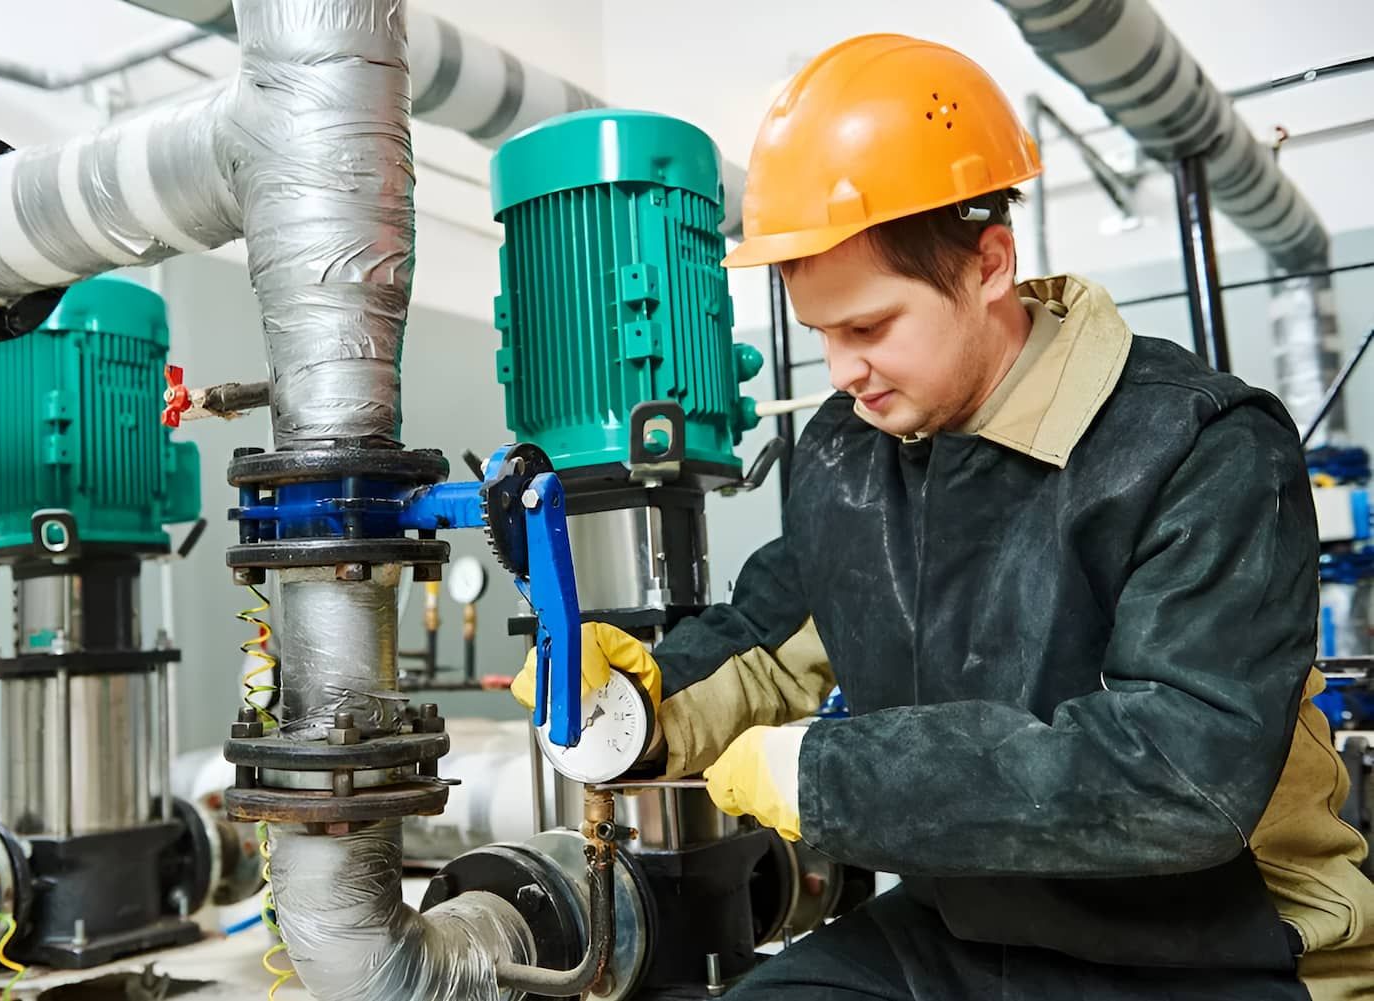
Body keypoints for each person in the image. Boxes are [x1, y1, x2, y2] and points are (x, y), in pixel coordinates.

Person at [514, 34, 1374, 1001]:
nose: (842, 373)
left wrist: (829, 778)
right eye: (821, 336)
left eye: (870, 328)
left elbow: (1181, 774)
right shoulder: (849, 451)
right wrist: (635, 708)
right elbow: (771, 643)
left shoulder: (1201, 446)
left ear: (989, 264)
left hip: (1211, 944)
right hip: (958, 926)